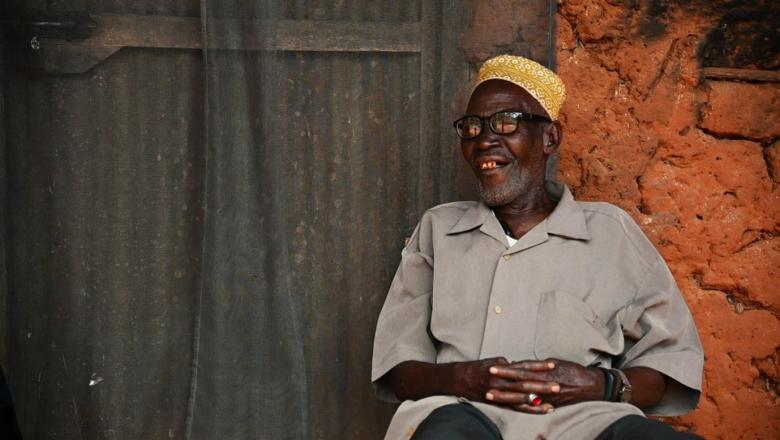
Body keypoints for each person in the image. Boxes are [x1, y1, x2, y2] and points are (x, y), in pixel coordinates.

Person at [371, 55, 704, 440]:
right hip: (461, 413)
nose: (483, 140)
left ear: (550, 138)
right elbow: (400, 372)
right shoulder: (439, 230)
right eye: (472, 127)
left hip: (584, 421)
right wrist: (461, 378)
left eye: (506, 123)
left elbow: (669, 362)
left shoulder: (610, 234)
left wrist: (602, 384)